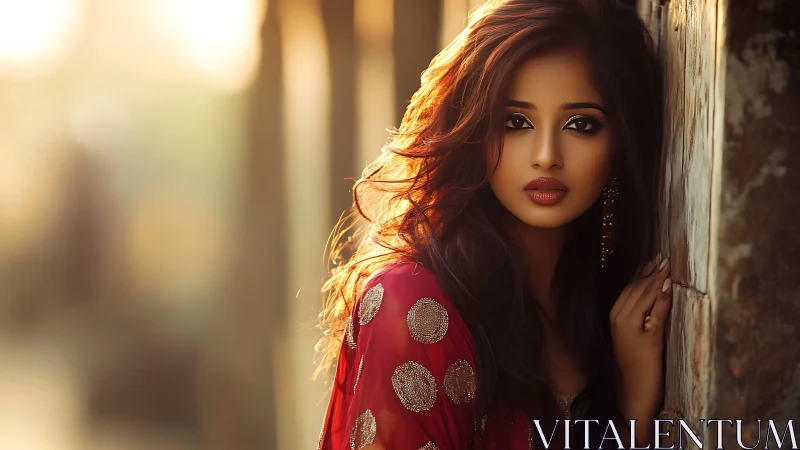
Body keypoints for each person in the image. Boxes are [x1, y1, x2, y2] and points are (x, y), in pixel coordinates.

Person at [315, 0, 674, 448]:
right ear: (472, 129)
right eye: (516, 121)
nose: (546, 154)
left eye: (581, 124)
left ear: (621, 144)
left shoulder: (601, 317)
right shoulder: (413, 308)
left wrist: (632, 408)